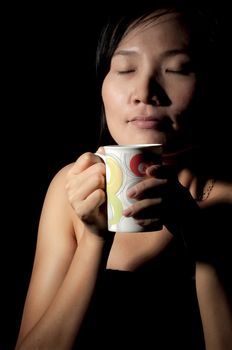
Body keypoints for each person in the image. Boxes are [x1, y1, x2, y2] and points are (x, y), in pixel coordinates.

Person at [15, 1, 232, 349]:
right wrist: (94, 240)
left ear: (210, 84)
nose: (145, 91)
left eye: (177, 69)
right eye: (126, 68)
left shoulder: (226, 200)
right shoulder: (70, 189)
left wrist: (202, 245)